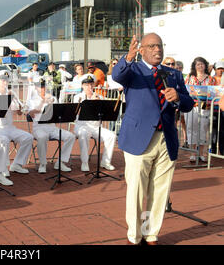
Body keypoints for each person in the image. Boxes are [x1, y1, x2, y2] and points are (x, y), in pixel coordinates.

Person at [112, 33, 194, 245]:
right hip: (139, 139)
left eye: (159, 46)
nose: (157, 50)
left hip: (166, 138)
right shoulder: (133, 70)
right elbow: (117, 75)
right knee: (137, 191)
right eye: (151, 46)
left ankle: (151, 233)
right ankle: (135, 235)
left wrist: (178, 97)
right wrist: (128, 58)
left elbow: (188, 103)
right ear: (142, 51)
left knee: (159, 191)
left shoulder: (173, 74)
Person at [26, 79, 76, 174]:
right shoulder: (31, 100)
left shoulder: (52, 98)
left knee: (70, 136)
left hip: (52, 127)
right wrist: (43, 102)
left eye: (43, 86)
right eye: (40, 87)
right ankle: (42, 164)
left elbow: (59, 111)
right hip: (39, 127)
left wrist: (51, 102)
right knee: (42, 137)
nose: (42, 89)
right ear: (36, 88)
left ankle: (61, 162)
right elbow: (31, 114)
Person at [0, 70, 33, 174]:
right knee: (4, 140)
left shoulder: (11, 93)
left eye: (6, 80)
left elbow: (18, 113)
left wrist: (19, 108)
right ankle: (3, 167)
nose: (5, 83)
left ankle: (17, 164)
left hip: (10, 127)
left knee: (28, 137)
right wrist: (5, 100)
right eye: (3, 81)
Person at [73, 74, 117, 172]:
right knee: (84, 134)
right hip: (82, 126)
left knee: (111, 135)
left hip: (96, 127)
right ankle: (84, 162)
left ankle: (105, 161)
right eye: (87, 85)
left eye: (91, 85)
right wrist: (91, 102)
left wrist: (100, 102)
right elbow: (77, 112)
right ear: (82, 86)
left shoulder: (99, 96)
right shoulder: (78, 97)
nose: (90, 87)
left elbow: (106, 111)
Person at [184, 57, 218, 162]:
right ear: (194, 66)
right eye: (198, 64)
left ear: (205, 65)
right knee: (191, 129)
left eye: (202, 64)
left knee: (203, 130)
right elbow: (185, 90)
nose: (200, 66)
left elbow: (214, 93)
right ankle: (193, 153)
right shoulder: (189, 77)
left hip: (205, 107)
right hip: (191, 106)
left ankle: (202, 153)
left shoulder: (211, 79)